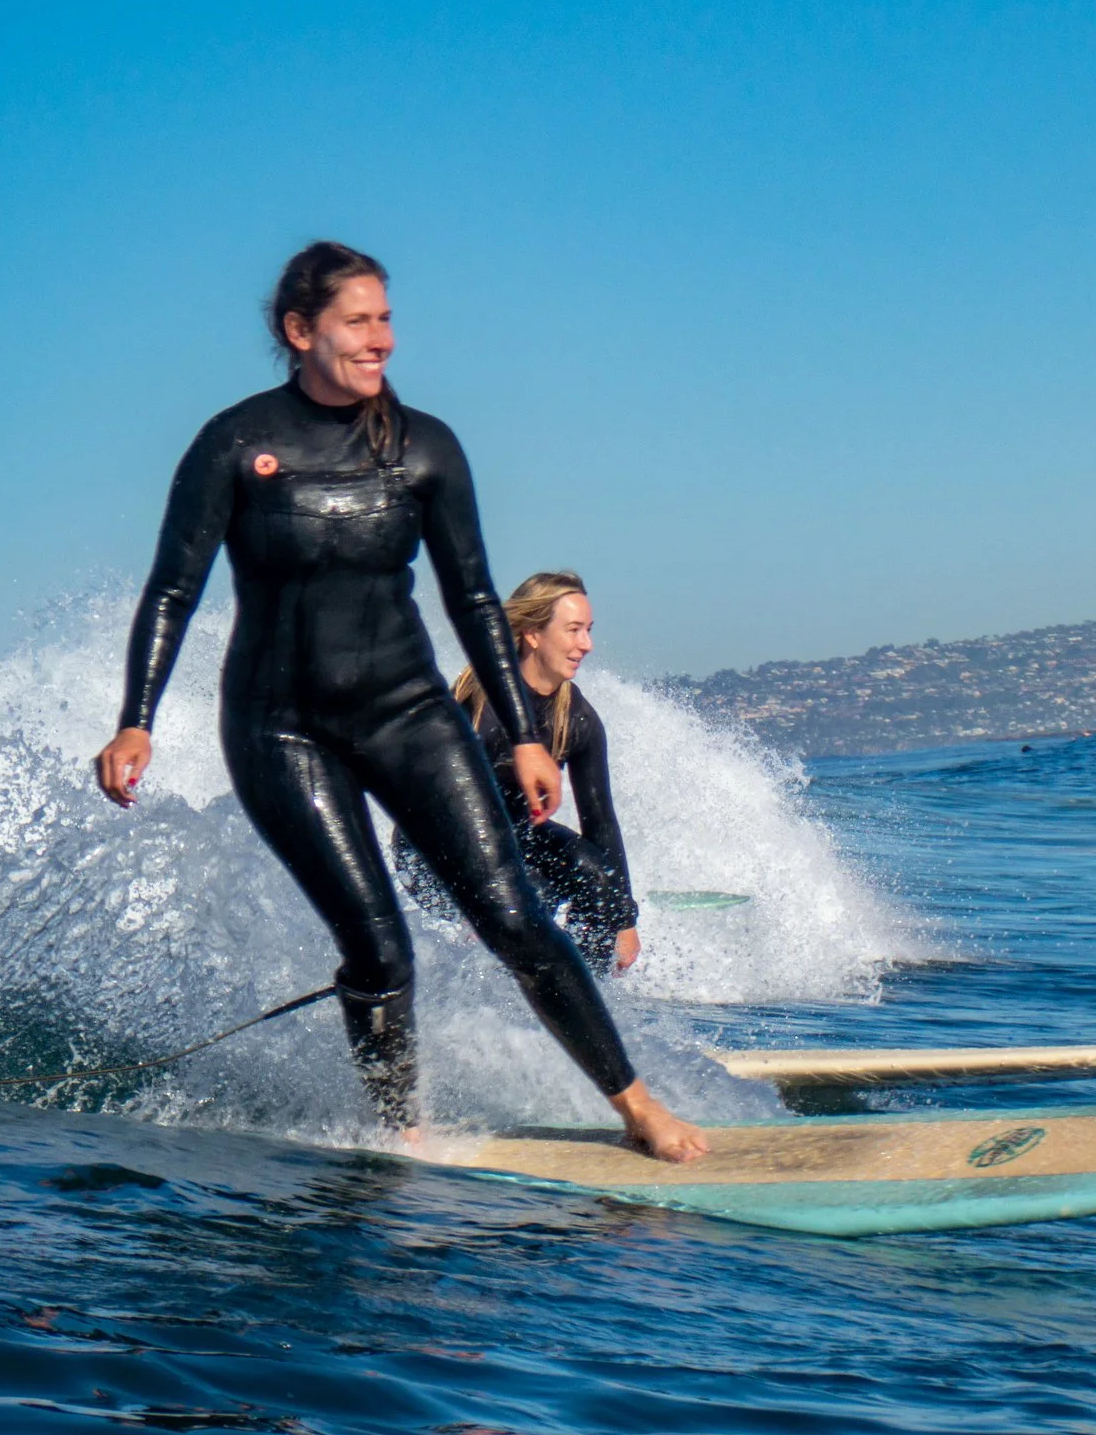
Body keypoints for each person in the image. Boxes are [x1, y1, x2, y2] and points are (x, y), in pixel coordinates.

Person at [92, 242, 706, 1162]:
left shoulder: (426, 447)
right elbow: (173, 587)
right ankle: (397, 1131)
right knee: (380, 950)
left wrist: (532, 735)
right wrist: (136, 717)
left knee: (513, 917)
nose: (382, 337)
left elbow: (472, 599)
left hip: (410, 711)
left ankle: (639, 1108)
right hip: (281, 728)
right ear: (301, 331)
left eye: (386, 317)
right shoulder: (235, 442)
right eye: (358, 320)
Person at [400, 572, 641, 974]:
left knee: (595, 875)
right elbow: (432, 808)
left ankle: (591, 994)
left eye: (589, 630)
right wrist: (482, 898)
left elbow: (600, 824)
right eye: (574, 630)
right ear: (533, 634)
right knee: (535, 895)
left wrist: (623, 920)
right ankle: (491, 1008)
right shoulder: (478, 710)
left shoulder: (578, 720)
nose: (587, 644)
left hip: (516, 838)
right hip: (435, 849)